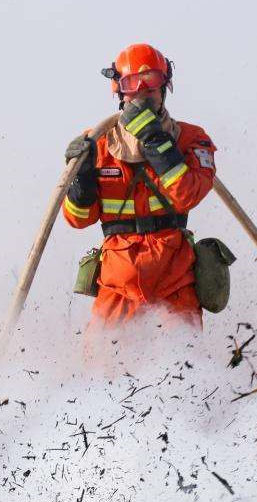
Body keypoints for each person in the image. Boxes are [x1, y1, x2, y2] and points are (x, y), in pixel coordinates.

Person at [62, 43, 217, 326]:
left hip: (176, 284)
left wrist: (156, 142)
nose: (143, 92)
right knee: (101, 367)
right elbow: (78, 219)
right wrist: (80, 180)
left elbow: (188, 195)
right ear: (119, 91)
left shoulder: (190, 139)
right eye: (133, 84)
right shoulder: (97, 143)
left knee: (186, 368)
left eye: (152, 83)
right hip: (118, 287)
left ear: (165, 87)